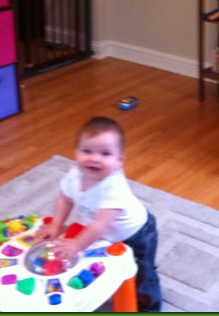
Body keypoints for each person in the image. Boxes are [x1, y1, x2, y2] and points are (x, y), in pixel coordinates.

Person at [36, 116, 162, 312]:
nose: (94, 158)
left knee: (142, 273)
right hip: (108, 236)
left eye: (105, 153)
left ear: (119, 161)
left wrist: (76, 245)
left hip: (138, 236)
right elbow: (65, 198)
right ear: (75, 153)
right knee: (108, 266)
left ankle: (149, 307)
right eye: (87, 151)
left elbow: (99, 225)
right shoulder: (75, 174)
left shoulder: (114, 187)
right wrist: (55, 224)